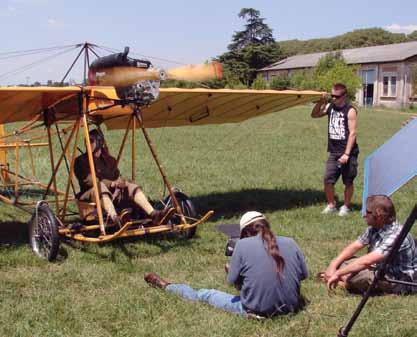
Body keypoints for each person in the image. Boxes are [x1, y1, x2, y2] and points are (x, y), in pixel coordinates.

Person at [144, 211, 308, 317]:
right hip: (291, 308)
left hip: (255, 311)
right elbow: (302, 275)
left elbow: (232, 282)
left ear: (244, 232)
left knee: (205, 294)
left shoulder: (242, 245)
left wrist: (230, 270)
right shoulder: (290, 242)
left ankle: (167, 286)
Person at [74, 129, 171, 226]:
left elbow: (117, 176)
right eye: (86, 141)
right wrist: (111, 183)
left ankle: (154, 214)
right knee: (100, 186)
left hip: (112, 192)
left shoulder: (110, 160)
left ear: (100, 142)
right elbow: (89, 181)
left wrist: (121, 182)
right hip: (90, 193)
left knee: (131, 186)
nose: (87, 143)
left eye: (91, 141)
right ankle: (115, 219)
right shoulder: (80, 161)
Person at [322, 195, 417, 294]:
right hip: (379, 267)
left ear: (379, 216)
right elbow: (354, 247)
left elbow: (366, 262)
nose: (364, 215)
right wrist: (333, 264)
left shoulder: (396, 236)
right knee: (344, 262)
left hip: (398, 279)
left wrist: (338, 273)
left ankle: (346, 283)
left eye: (367, 212)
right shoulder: (374, 228)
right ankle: (346, 280)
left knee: (367, 277)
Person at [311, 83, 359, 216]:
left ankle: (346, 206)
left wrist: (347, 154)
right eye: (332, 95)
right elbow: (314, 115)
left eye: (336, 96)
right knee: (328, 180)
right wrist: (321, 101)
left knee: (348, 181)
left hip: (347, 152)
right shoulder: (330, 107)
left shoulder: (350, 110)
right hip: (333, 152)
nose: (333, 98)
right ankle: (331, 205)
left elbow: (353, 133)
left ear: (344, 96)